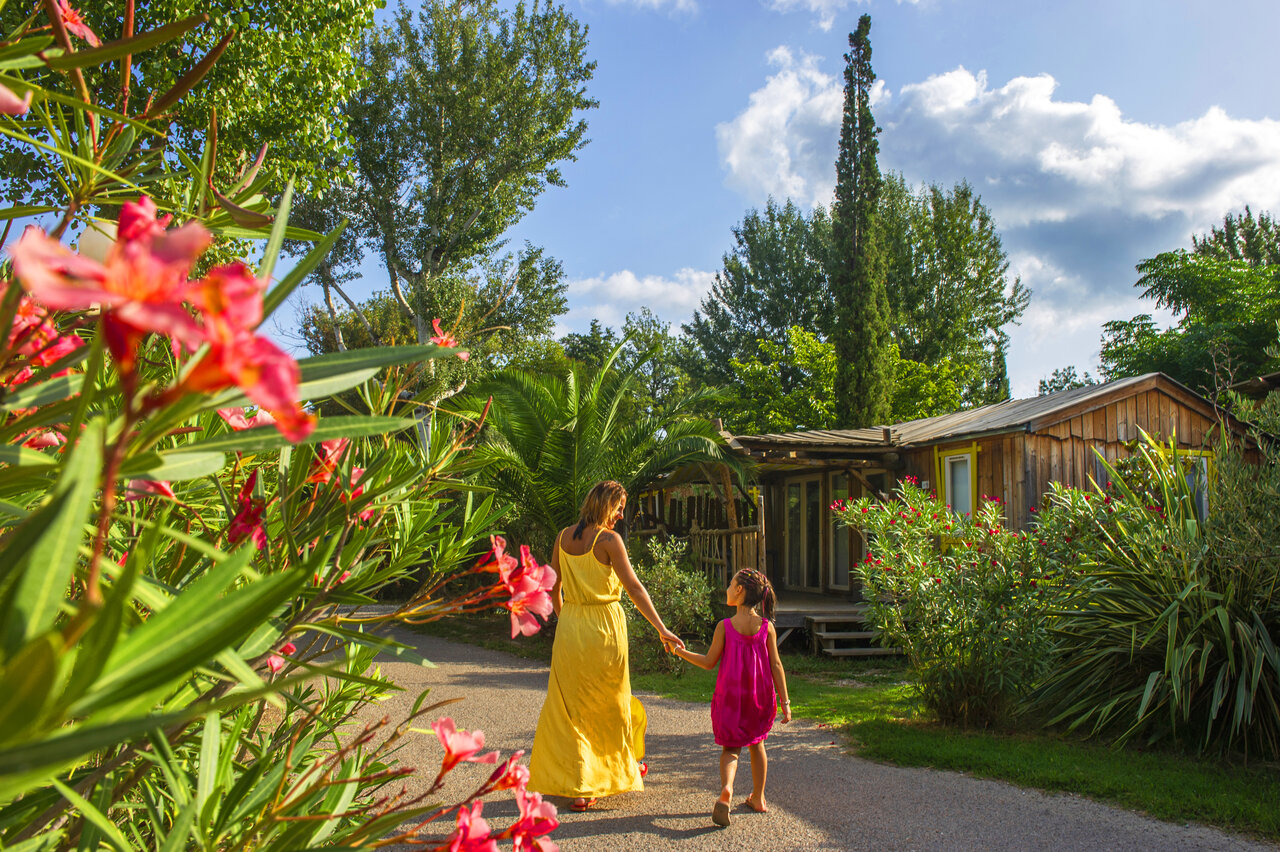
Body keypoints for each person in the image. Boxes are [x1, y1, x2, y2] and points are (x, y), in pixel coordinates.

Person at [527, 480, 685, 812]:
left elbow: (552, 586)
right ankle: (602, 775)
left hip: (571, 627)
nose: (621, 515)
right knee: (609, 702)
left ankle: (583, 781)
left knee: (571, 707)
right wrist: (662, 628)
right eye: (619, 508)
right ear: (605, 505)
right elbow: (635, 588)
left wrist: (566, 616)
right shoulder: (609, 541)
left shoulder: (562, 537)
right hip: (604, 629)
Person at [670, 567, 790, 827]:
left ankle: (726, 790)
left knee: (731, 749)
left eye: (730, 584)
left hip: (730, 697)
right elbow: (777, 665)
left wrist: (681, 652)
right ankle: (758, 798)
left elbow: (709, 661)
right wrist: (785, 702)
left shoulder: (725, 627)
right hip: (758, 698)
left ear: (739, 591)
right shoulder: (766, 628)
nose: (726, 589)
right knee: (757, 744)